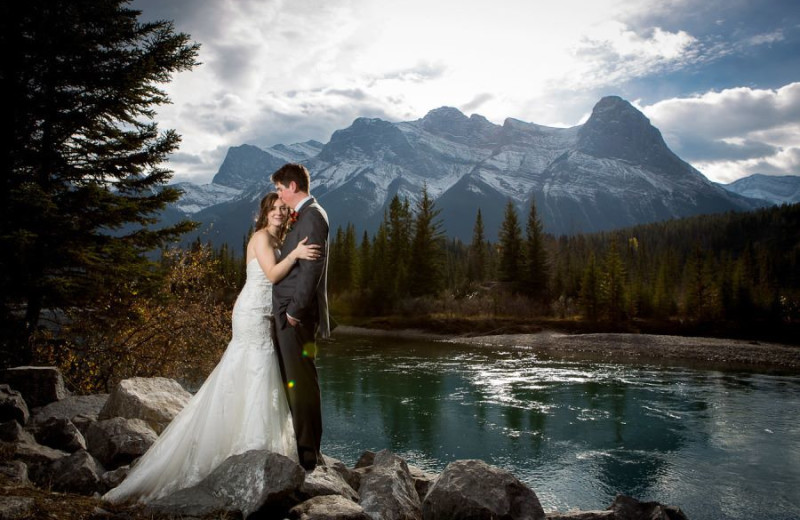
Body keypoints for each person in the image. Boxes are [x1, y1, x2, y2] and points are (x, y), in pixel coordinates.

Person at [103, 192, 320, 503]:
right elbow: (272, 274)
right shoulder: (261, 237)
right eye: (274, 209)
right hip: (250, 315)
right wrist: (297, 253)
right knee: (253, 370)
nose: (279, 213)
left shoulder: (277, 240)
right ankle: (243, 451)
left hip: (263, 315)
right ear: (264, 213)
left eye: (284, 210)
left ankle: (252, 451)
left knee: (258, 374)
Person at [270, 163, 330, 471]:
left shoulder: (313, 217)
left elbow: (311, 271)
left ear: (293, 186)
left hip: (295, 317)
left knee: (302, 382)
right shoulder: (305, 217)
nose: (278, 194)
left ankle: (308, 455)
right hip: (288, 316)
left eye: (280, 188)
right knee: (294, 381)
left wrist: (293, 313)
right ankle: (302, 447)